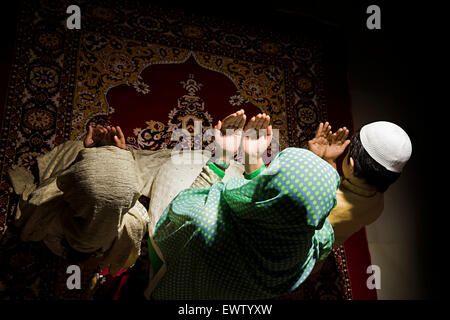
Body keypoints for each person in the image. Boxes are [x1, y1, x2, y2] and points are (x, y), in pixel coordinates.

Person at [307, 121, 412, 246]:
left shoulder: (325, 197)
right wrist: (329, 160)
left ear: (351, 165)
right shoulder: (377, 204)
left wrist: (313, 158)